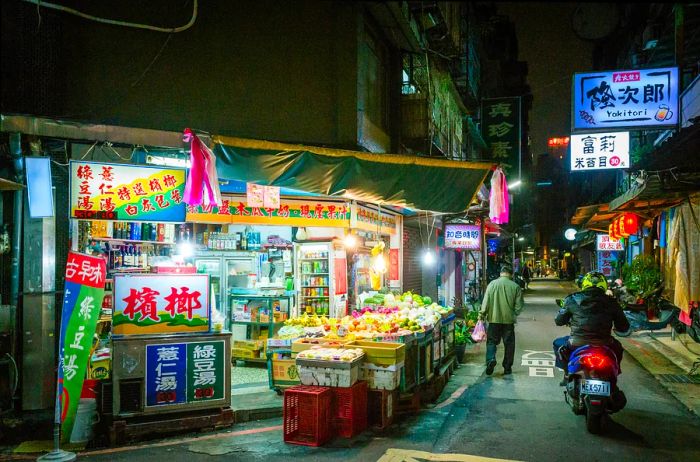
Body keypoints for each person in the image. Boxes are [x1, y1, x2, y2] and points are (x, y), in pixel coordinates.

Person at [553, 271, 630, 385]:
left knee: (558, 344)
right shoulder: (612, 302)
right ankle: (613, 375)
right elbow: (623, 326)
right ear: (604, 285)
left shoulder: (572, 299)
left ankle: (566, 374)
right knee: (618, 348)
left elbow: (559, 321)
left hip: (577, 342)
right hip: (605, 343)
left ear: (584, 284)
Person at [478, 264, 525, 376]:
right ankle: (507, 367)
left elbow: (486, 302)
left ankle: (490, 360)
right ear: (511, 274)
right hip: (508, 321)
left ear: (501, 273)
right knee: (509, 344)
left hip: (494, 320)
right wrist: (513, 314)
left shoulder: (492, 284)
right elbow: (519, 306)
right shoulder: (515, 287)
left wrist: (482, 315)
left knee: (491, 342)